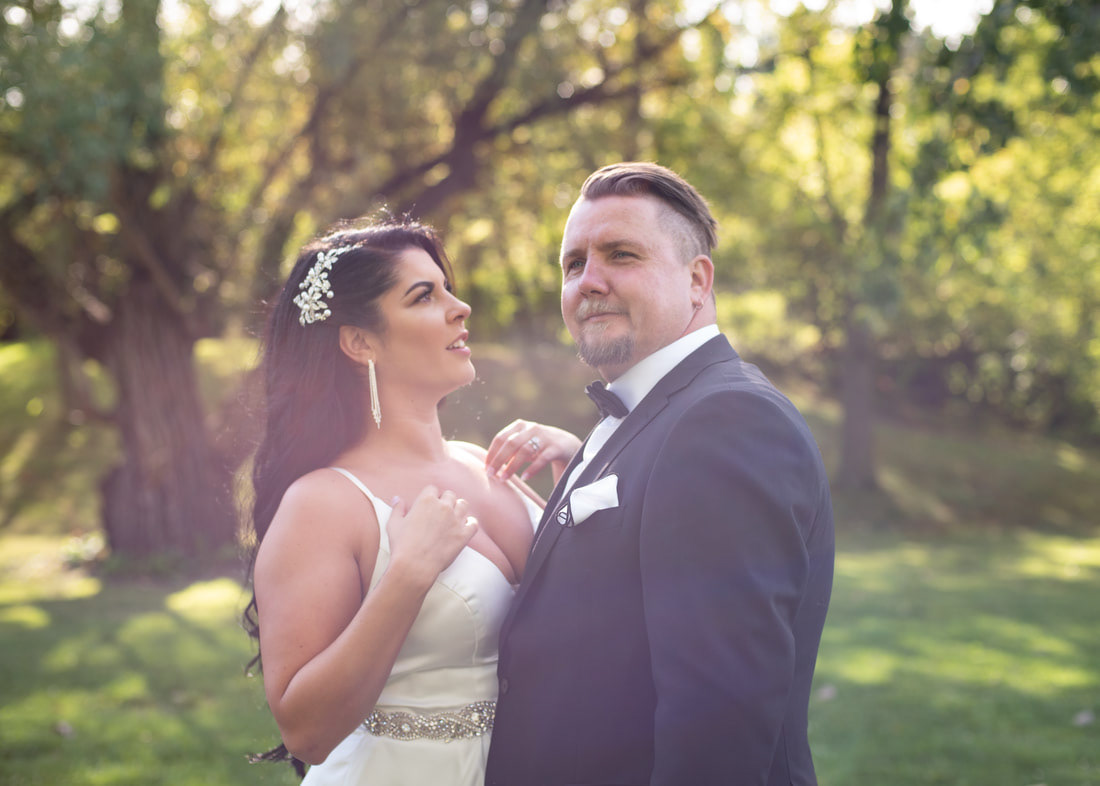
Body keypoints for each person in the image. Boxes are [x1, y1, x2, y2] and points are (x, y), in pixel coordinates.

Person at [484, 162, 835, 785]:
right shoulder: (651, 414)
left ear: (698, 281)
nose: (589, 282)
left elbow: (718, 724)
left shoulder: (727, 420)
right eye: (573, 264)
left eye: (621, 254)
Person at [241, 216, 580, 784]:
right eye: (424, 296)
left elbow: (595, 609)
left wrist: (578, 466)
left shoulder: (483, 462)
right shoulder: (322, 503)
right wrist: (408, 575)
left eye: (448, 288)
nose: (460, 307)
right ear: (360, 342)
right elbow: (306, 732)